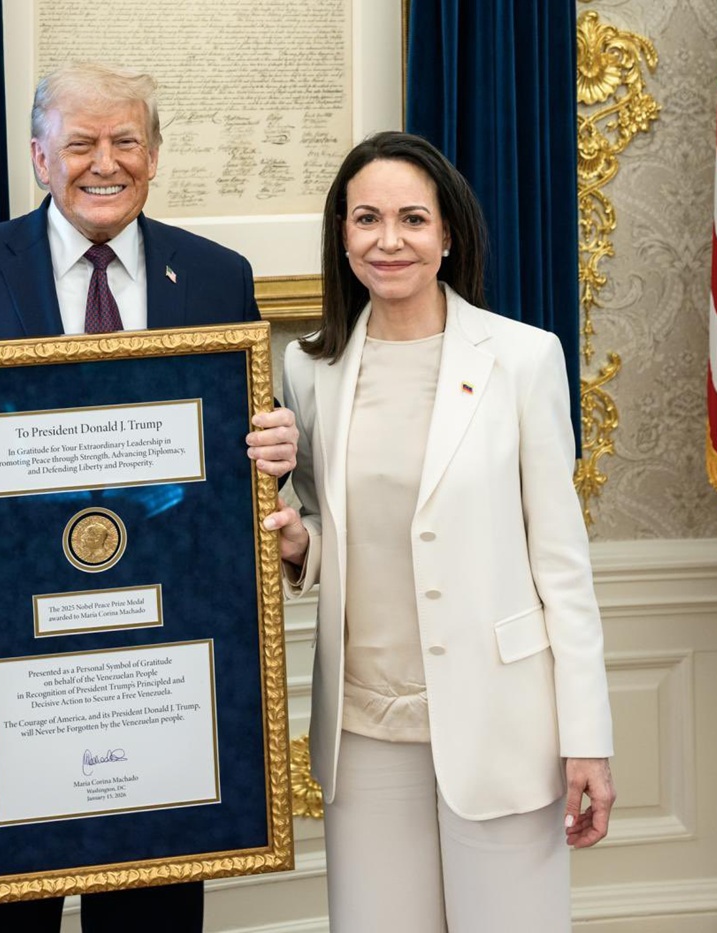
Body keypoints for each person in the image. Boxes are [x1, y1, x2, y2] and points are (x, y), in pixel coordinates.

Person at [0, 63, 297, 933]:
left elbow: (237, 441)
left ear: (154, 155)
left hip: (164, 666)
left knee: (152, 918)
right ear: (39, 157)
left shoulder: (216, 275)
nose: (106, 162)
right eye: (82, 143)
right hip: (3, 667)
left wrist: (275, 450)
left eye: (126, 141)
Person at [262, 131, 615, 932]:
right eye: (367, 219)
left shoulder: (523, 359)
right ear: (342, 234)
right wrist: (299, 545)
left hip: (503, 722)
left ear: (448, 234)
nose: (388, 240)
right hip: (363, 726)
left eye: (412, 219)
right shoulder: (309, 369)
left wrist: (587, 738)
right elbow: (324, 521)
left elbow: (562, 566)